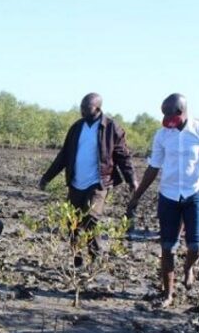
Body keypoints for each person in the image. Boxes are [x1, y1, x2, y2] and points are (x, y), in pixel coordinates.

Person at [126, 94, 199, 307]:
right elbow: (153, 167)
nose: (167, 118)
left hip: (194, 193)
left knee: (195, 247)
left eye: (170, 113)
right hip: (168, 195)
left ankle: (188, 268)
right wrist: (136, 196)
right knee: (168, 248)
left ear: (181, 111)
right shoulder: (162, 135)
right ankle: (168, 294)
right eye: (164, 114)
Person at [38, 93, 137, 265]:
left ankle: (95, 258)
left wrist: (131, 179)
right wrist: (47, 177)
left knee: (91, 218)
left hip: (99, 183)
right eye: (81, 107)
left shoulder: (112, 127)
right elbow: (63, 155)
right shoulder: (77, 127)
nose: (82, 110)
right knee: (72, 222)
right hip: (76, 182)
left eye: (86, 107)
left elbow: (123, 156)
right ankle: (76, 257)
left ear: (97, 108)